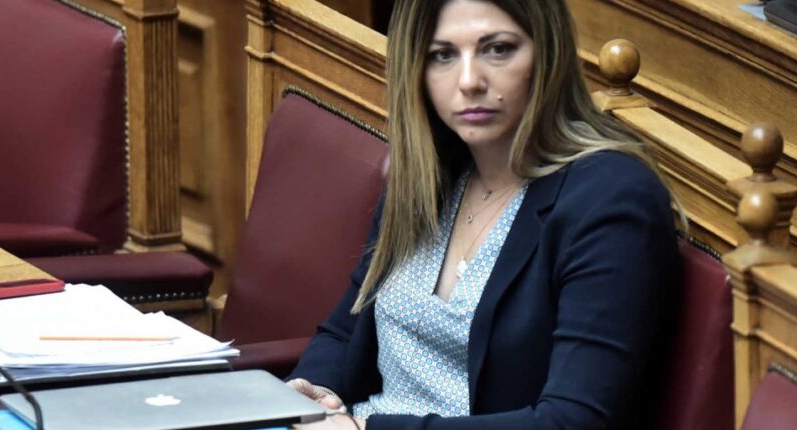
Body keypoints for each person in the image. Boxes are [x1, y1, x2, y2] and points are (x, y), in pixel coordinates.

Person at [287, 0, 681, 428]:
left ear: (547, 53)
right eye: (443, 55)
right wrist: (316, 392)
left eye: (497, 49)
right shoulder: (430, 173)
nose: (469, 81)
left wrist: (371, 429)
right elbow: (346, 331)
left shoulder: (612, 199)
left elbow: (573, 421)